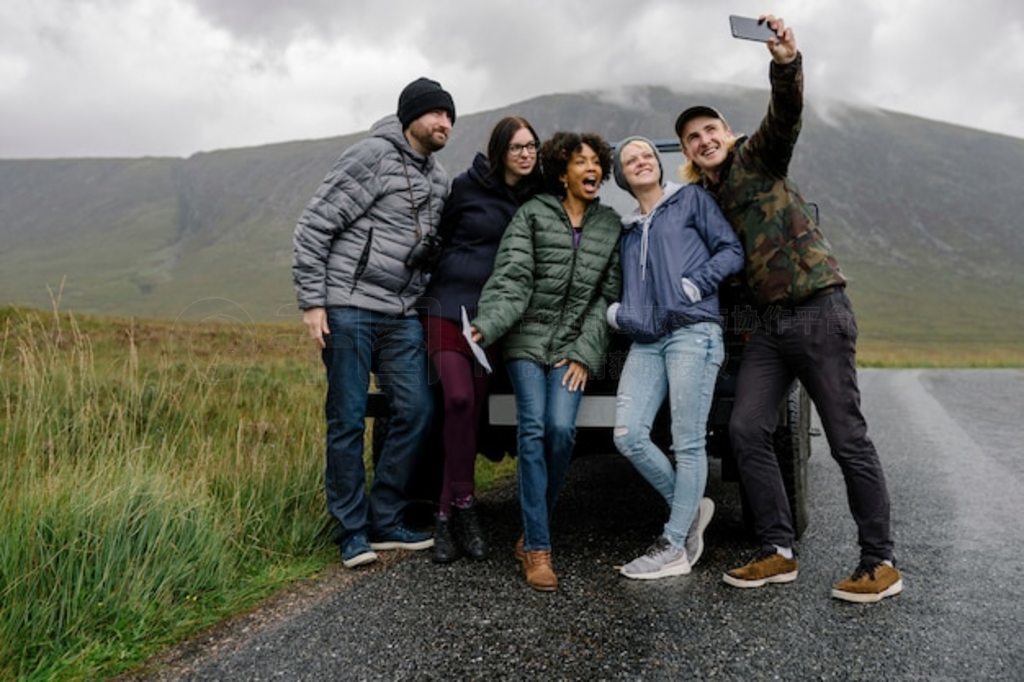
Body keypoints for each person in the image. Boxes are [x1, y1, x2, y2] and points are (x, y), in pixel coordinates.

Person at [675, 16, 902, 602]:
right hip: (767, 330)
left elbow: (785, 113)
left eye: (710, 129)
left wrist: (784, 61)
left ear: (726, 133)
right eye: (692, 138)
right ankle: (778, 551)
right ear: (690, 154)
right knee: (747, 427)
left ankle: (880, 562)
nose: (704, 140)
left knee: (847, 436)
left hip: (818, 309)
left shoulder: (758, 157)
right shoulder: (701, 201)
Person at [292, 77, 456, 569]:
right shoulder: (370, 156)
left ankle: (385, 517)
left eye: (449, 116)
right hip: (347, 306)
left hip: (401, 314)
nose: (444, 123)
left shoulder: (440, 178)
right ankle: (351, 531)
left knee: (417, 410)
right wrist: (313, 303)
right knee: (345, 418)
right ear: (410, 117)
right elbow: (314, 225)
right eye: (435, 114)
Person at [470, 132, 621, 592]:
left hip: (572, 347)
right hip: (526, 342)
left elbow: (607, 298)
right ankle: (538, 549)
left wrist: (584, 351)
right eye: (581, 162)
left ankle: (533, 528)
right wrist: (487, 325)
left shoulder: (610, 225)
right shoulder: (532, 215)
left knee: (561, 431)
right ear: (563, 173)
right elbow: (512, 277)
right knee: (532, 429)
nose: (591, 168)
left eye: (596, 162)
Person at [607, 137, 744, 580]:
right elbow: (627, 289)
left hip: (694, 332)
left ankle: (673, 545)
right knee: (628, 435)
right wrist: (618, 314)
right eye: (631, 159)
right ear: (622, 175)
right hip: (647, 341)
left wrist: (694, 285)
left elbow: (731, 251)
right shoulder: (627, 231)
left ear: (659, 165)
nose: (641, 161)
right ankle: (690, 510)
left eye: (647, 154)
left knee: (687, 443)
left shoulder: (691, 200)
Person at [420, 116, 544, 564]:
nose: (526, 154)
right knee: (455, 400)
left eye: (531, 146)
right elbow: (441, 239)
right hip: (447, 308)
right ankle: (449, 511)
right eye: (517, 147)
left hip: (491, 319)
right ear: (500, 151)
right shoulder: (466, 187)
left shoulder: (537, 197)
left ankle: (457, 512)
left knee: (472, 408)